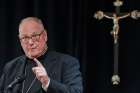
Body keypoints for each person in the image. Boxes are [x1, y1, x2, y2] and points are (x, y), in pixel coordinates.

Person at [0, 17, 83, 93]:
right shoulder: (10, 67)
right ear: (20, 40)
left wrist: (48, 83)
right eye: (25, 38)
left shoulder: (67, 63)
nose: (30, 42)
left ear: (45, 36)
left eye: (35, 36)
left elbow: (76, 91)